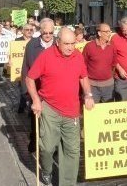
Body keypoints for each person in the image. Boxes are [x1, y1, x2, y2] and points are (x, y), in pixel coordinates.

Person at [26, 27, 94, 186]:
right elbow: (30, 79)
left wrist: (88, 95)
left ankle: (67, 183)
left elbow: (83, 77)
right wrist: (36, 100)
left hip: (72, 111)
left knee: (72, 151)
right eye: (66, 44)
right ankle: (47, 170)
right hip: (50, 108)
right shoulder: (46, 56)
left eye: (73, 43)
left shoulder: (77, 56)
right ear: (57, 43)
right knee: (47, 148)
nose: (71, 47)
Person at [21, 18, 55, 152]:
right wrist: (26, 91)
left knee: (52, 118)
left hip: (53, 88)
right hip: (36, 87)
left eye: (51, 33)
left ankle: (51, 144)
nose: (48, 35)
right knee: (36, 116)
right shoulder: (32, 45)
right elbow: (26, 68)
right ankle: (34, 139)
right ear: (40, 31)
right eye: (45, 32)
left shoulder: (58, 44)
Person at [82, 23, 116, 103]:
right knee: (92, 112)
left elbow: (114, 64)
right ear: (99, 33)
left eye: (110, 31)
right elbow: (83, 65)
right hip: (92, 87)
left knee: (107, 112)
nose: (109, 34)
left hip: (108, 86)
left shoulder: (112, 47)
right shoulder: (89, 46)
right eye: (106, 32)